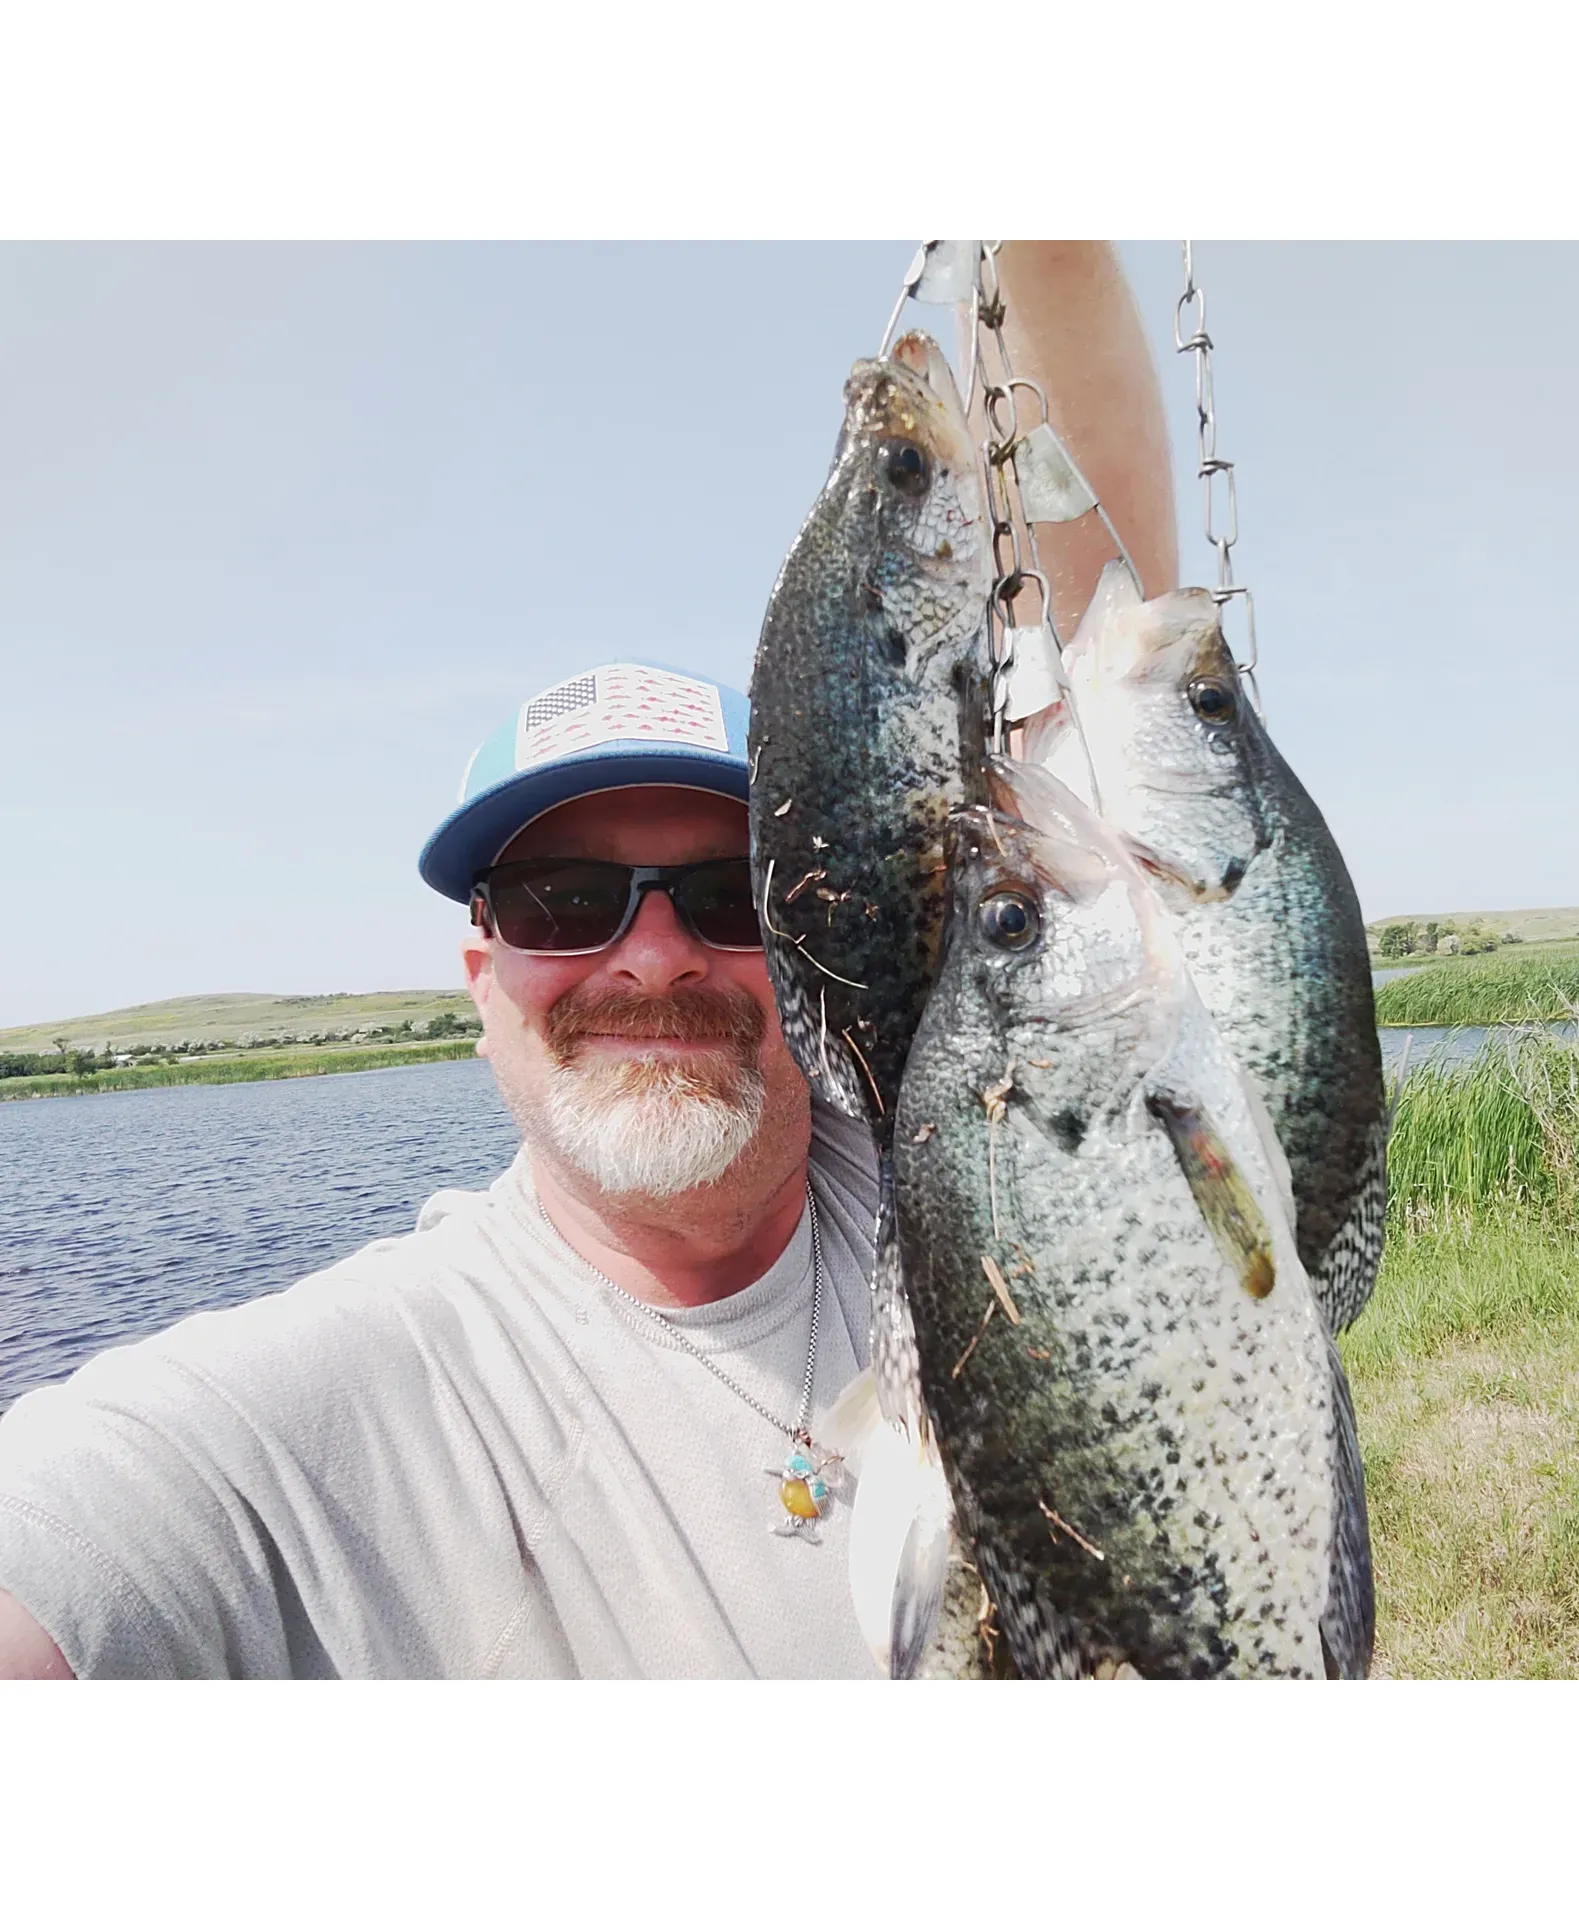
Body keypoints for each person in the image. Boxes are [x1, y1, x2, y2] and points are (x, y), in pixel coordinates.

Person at [0, 241, 1177, 1678]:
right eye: (563, 900)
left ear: (818, 919)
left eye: (728, 889)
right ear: (480, 975)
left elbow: (1115, 639)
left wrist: (1043, 231)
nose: (654, 952)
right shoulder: (349, 1397)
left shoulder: (957, 1147)